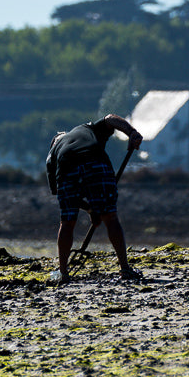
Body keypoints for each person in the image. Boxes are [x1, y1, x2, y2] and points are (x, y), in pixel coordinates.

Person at [46, 113, 144, 284]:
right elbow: (110, 118)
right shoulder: (84, 128)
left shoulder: (52, 155)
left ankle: (63, 273)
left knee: (67, 222)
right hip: (96, 162)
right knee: (110, 218)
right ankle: (125, 269)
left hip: (67, 167)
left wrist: (90, 209)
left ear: (54, 142)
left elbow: (63, 195)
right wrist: (132, 133)